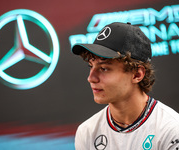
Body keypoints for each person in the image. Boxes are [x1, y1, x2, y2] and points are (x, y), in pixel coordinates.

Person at [71, 22, 179, 150]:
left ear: (137, 74)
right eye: (91, 66)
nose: (91, 78)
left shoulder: (171, 130)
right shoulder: (87, 132)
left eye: (104, 68)